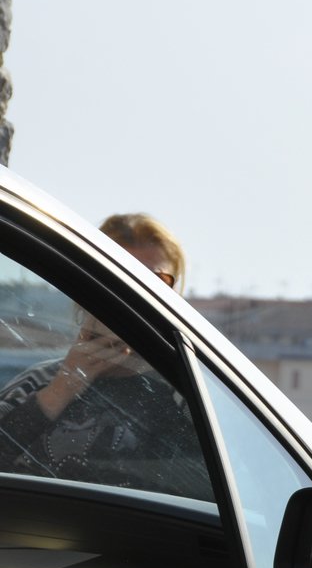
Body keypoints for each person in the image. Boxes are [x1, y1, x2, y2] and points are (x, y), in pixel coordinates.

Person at [0, 212, 209, 498]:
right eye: (117, 279)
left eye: (154, 281)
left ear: (173, 294)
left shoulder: (191, 397)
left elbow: (208, 490)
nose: (134, 296)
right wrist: (61, 389)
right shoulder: (37, 382)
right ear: (87, 288)